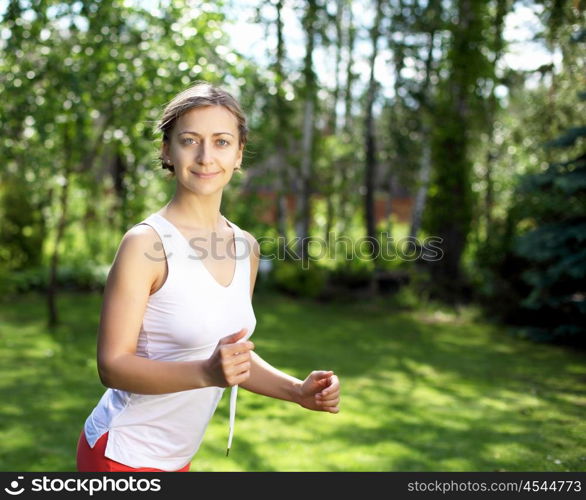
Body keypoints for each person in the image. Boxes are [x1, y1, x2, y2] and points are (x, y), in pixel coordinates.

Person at [76, 81, 341, 472]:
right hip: (122, 454)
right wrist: (206, 373)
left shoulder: (245, 247)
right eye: (189, 140)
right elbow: (112, 366)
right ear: (167, 150)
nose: (205, 156)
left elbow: (232, 358)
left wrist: (297, 391)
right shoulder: (145, 244)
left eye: (220, 141)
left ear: (239, 153)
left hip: (177, 459)